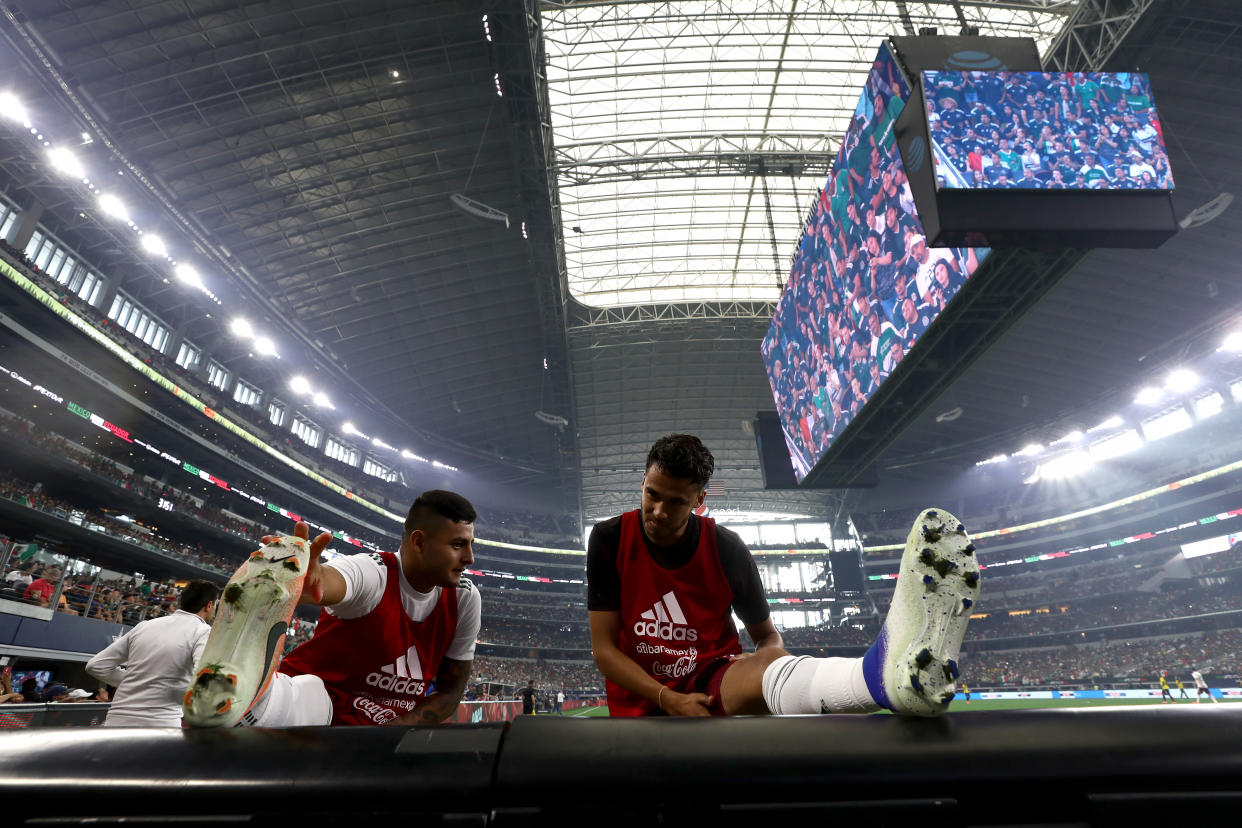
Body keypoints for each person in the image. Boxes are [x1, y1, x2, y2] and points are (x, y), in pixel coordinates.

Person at [586, 434, 979, 718]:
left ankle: (882, 680)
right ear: (642, 482)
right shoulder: (609, 539)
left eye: (675, 502)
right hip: (639, 701)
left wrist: (767, 657)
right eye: (652, 494)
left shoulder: (726, 548)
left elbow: (767, 636)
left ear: (700, 500)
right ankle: (876, 677)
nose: (657, 511)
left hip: (710, 681)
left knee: (769, 663)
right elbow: (604, 651)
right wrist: (666, 698)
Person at [183, 490, 481, 727]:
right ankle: (246, 702)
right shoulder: (374, 571)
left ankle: (243, 701)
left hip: (369, 737)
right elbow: (332, 581)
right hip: (318, 712)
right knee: (310, 693)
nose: (470, 558)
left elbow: (451, 692)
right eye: (458, 545)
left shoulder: (465, 598)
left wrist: (385, 738)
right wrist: (308, 581)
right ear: (418, 542)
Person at [86, 579, 220, 726]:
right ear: (209, 605)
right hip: (160, 724)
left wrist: (137, 680)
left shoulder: (144, 626)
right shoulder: (203, 631)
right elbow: (203, 679)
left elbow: (95, 665)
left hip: (116, 720)